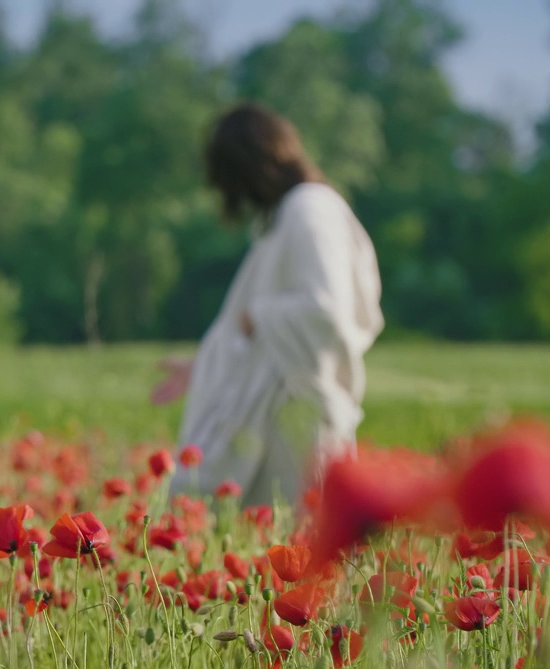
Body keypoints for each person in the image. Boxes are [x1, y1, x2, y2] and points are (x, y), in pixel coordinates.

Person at [153, 103, 384, 506]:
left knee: (295, 544)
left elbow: (327, 311)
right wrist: (204, 363)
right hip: (282, 413)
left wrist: (255, 317)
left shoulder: (310, 210)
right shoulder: (289, 214)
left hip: (295, 415)